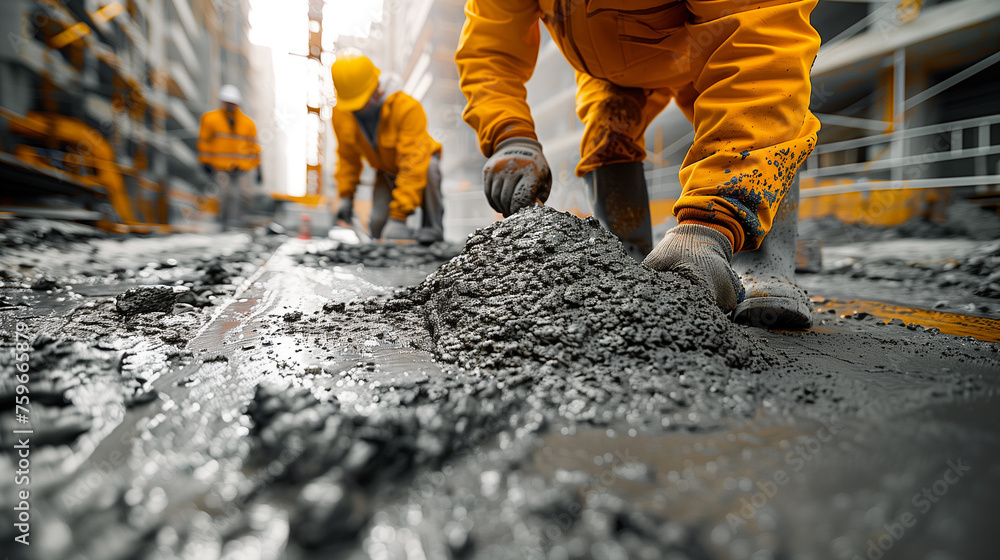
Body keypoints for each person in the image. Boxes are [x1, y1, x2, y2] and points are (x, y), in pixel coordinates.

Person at [455, 0, 820, 328]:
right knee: (607, 137)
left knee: (767, 111)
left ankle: (762, 272)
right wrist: (510, 136)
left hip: (705, 44)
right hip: (609, 69)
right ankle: (628, 263)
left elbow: (760, 46)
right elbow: (489, 51)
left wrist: (708, 226)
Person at [330, 50, 445, 244]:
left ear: (377, 89)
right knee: (378, 226)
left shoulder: (406, 108)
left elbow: (413, 164)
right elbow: (347, 158)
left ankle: (432, 230)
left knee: (430, 168)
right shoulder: (343, 114)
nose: (359, 110)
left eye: (362, 103)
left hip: (419, 165)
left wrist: (399, 217)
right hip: (384, 171)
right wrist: (346, 196)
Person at [197, 84, 261, 231]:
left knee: (240, 196)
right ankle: (224, 224)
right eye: (227, 102)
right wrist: (205, 162)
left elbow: (255, 148)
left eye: (232, 103)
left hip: (240, 167)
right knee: (225, 194)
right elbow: (204, 142)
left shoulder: (248, 123)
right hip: (220, 166)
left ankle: (234, 223)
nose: (230, 105)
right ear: (222, 102)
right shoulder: (210, 119)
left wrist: (259, 168)